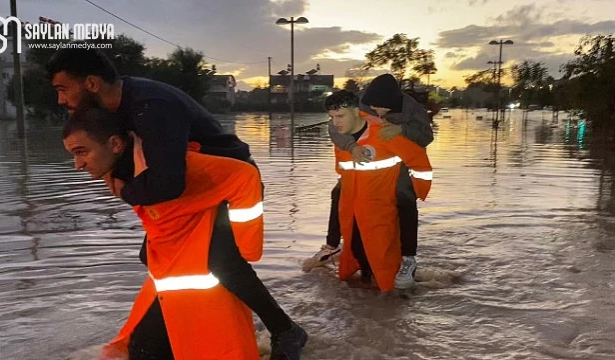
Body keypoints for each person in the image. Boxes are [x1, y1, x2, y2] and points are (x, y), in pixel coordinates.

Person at [48, 48, 306, 359]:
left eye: (63, 89)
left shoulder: (151, 108)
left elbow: (168, 183)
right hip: (190, 189)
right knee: (150, 254)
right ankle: (175, 326)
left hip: (225, 185)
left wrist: (125, 191)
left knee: (222, 262)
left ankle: (285, 330)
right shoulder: (113, 104)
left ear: (91, 83)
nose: (62, 100)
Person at [63, 107, 266, 359]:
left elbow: (245, 176)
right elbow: (160, 217)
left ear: (115, 143)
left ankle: (284, 329)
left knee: (145, 350)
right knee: (140, 349)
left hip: (204, 284)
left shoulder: (171, 166)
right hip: (174, 283)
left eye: (82, 152)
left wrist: (247, 247)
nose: (77, 165)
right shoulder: (122, 173)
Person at [308, 74, 433, 289]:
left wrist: (402, 130)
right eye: (374, 107)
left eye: (385, 109)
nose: (378, 113)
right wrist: (351, 147)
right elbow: (335, 127)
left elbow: (426, 136)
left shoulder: (413, 109)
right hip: (360, 161)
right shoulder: (356, 103)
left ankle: (408, 258)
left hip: (398, 159)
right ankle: (332, 245)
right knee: (339, 194)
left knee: (405, 199)